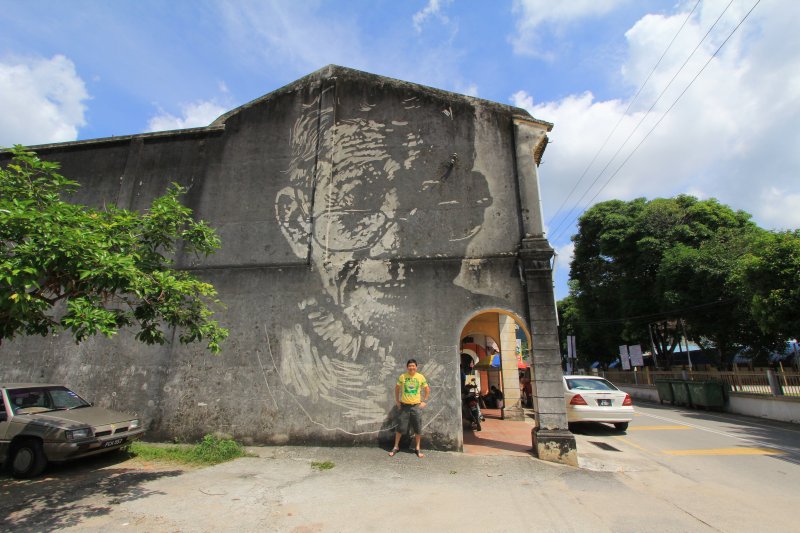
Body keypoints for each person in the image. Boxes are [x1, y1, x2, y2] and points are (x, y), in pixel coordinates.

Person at [390, 359, 430, 458]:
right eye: (410, 366)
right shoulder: (403, 377)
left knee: (417, 427)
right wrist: (397, 401)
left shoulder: (420, 377)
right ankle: (396, 447)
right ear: (407, 367)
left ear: (416, 367)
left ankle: (417, 448)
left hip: (416, 406)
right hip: (404, 406)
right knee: (400, 428)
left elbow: (427, 389)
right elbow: (397, 388)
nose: (411, 367)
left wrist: (424, 401)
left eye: (413, 366)